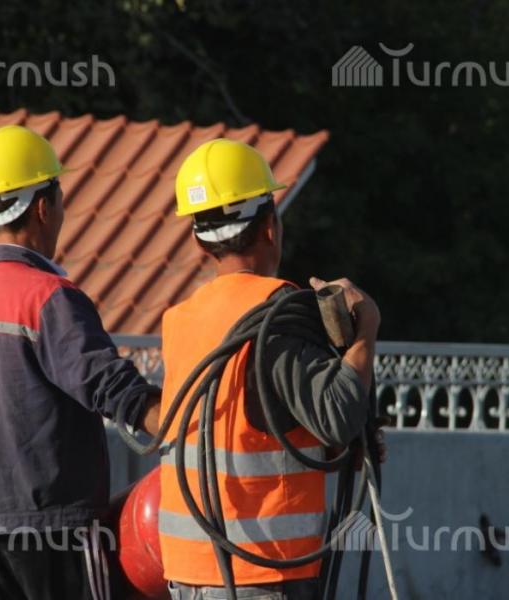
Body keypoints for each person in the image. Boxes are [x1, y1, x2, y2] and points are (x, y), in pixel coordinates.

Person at [158, 139, 383, 599]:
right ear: (269, 227)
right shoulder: (276, 311)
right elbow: (339, 415)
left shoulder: (179, 320)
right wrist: (367, 329)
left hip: (186, 570)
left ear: (199, 241)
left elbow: (254, 420)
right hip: (261, 571)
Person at [0, 125, 161, 600]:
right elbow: (110, 386)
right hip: (56, 530)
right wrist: (185, 424)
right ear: (44, 207)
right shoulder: (49, 296)